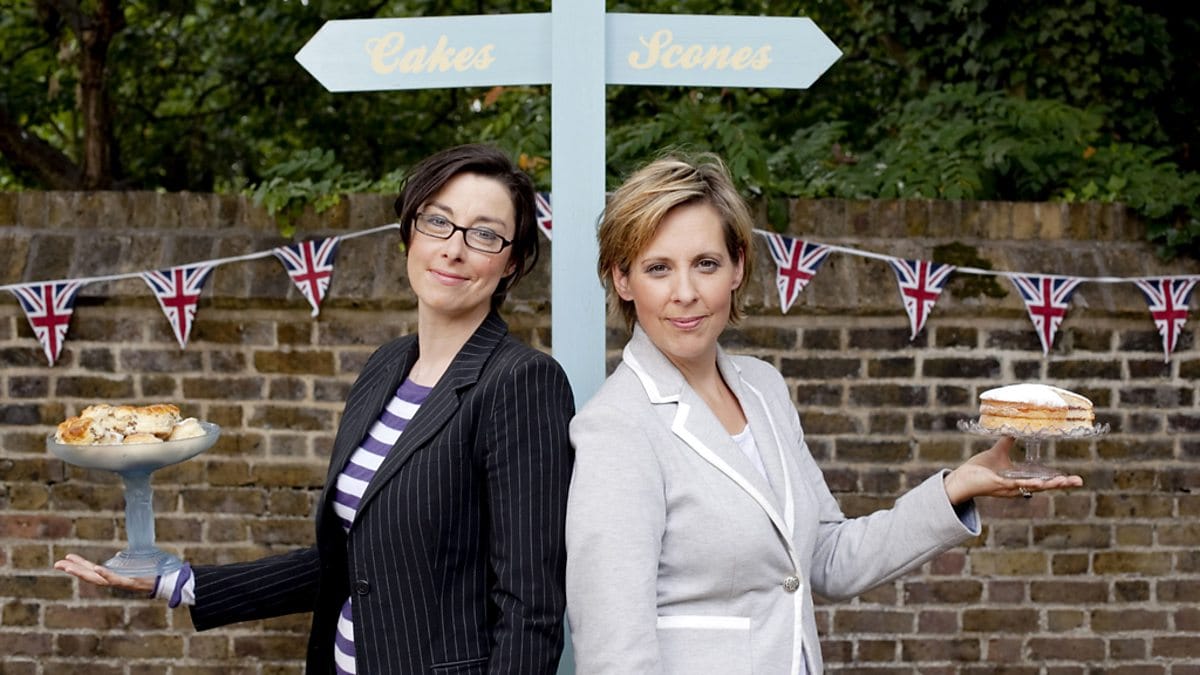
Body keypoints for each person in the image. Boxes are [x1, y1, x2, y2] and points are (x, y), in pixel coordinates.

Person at [56, 144, 575, 674]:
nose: (454, 248)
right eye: (437, 221)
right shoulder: (387, 365)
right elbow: (356, 561)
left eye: (484, 233)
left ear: (512, 262)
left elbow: (531, 606)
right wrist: (180, 582)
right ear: (410, 234)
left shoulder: (522, 382)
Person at [563, 153, 1083, 675]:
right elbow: (614, 652)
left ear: (737, 266)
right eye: (658, 268)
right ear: (623, 280)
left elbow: (826, 557)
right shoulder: (618, 427)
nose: (686, 293)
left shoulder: (763, 388)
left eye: (706, 263)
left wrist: (955, 489)